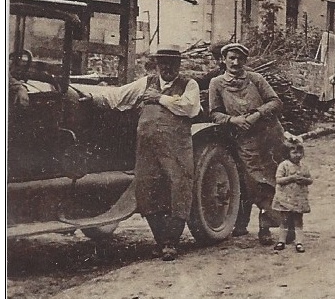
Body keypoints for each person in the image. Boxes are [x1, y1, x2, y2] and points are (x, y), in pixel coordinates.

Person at [88, 45, 200, 261]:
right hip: (147, 147)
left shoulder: (189, 84)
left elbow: (188, 107)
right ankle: (160, 241)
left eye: (172, 63)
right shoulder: (146, 83)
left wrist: (159, 98)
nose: (168, 67)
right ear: (157, 65)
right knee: (147, 188)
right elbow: (119, 95)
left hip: (176, 147)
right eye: (163, 63)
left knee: (178, 187)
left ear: (179, 65)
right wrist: (94, 97)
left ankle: (171, 242)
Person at [209, 42, 288, 246]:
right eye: (231, 58)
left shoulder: (255, 79)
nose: (235, 63)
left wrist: (256, 115)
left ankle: (267, 227)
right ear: (223, 60)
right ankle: (259, 225)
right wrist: (232, 120)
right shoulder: (216, 83)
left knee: (275, 179)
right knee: (255, 182)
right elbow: (214, 113)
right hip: (244, 139)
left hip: (270, 136)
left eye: (239, 59)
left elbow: (275, 101)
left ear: (245, 61)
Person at [272, 140, 312, 253]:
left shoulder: (304, 166)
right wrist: (291, 178)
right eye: (294, 152)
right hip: (285, 197)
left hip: (298, 198)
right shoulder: (284, 165)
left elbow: (310, 180)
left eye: (300, 152)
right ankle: (281, 241)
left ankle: (299, 242)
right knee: (284, 219)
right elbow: (278, 179)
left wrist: (304, 180)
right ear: (287, 153)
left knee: (298, 219)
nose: (297, 155)